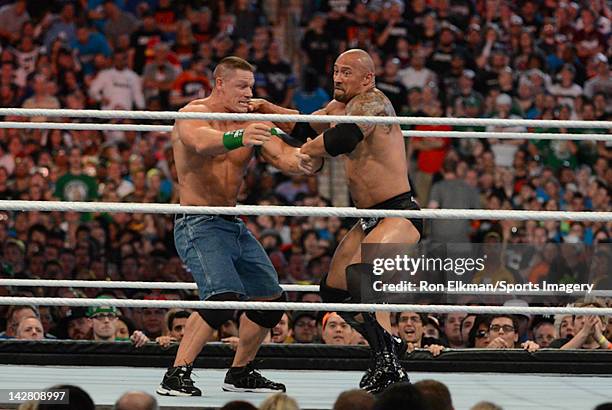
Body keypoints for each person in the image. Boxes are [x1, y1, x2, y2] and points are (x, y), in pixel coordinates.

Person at [251, 49, 423, 393]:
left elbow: (341, 139)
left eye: (346, 72)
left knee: (364, 282)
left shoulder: (374, 102)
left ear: (367, 78)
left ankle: (389, 363)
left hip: (398, 212)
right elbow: (302, 126)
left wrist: (307, 152)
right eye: (335, 71)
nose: (338, 78)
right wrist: (267, 109)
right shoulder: (335, 109)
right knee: (334, 290)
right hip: (368, 217)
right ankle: (388, 350)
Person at [156, 56, 322, 397]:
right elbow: (203, 143)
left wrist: (308, 158)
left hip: (232, 222)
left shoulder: (251, 121)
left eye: (252, 86)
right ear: (219, 83)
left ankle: (241, 370)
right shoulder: (193, 114)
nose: (249, 93)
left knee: (270, 300)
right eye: (242, 86)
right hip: (197, 221)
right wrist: (241, 135)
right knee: (222, 297)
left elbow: (283, 158)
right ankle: (176, 374)